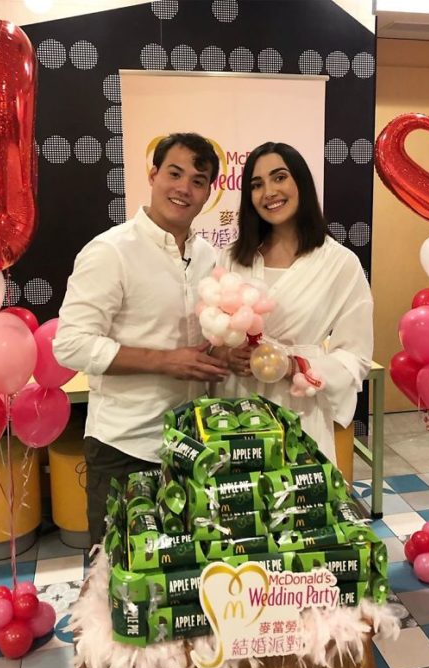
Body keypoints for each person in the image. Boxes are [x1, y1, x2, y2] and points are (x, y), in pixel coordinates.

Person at [54, 132, 228, 545]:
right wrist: (166, 361)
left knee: (180, 579)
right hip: (125, 446)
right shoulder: (111, 251)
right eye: (174, 173)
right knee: (114, 579)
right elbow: (71, 343)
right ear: (152, 175)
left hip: (192, 445)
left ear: (208, 194)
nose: (184, 188)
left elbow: (206, 336)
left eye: (198, 180)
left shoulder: (209, 257)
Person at [217, 142, 373, 462]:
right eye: (256, 185)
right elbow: (209, 336)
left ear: (300, 182)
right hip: (237, 409)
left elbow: (355, 357)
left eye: (279, 178)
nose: (269, 192)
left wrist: (294, 366)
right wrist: (227, 354)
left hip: (300, 411)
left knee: (300, 505)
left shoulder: (339, 263)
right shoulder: (233, 258)